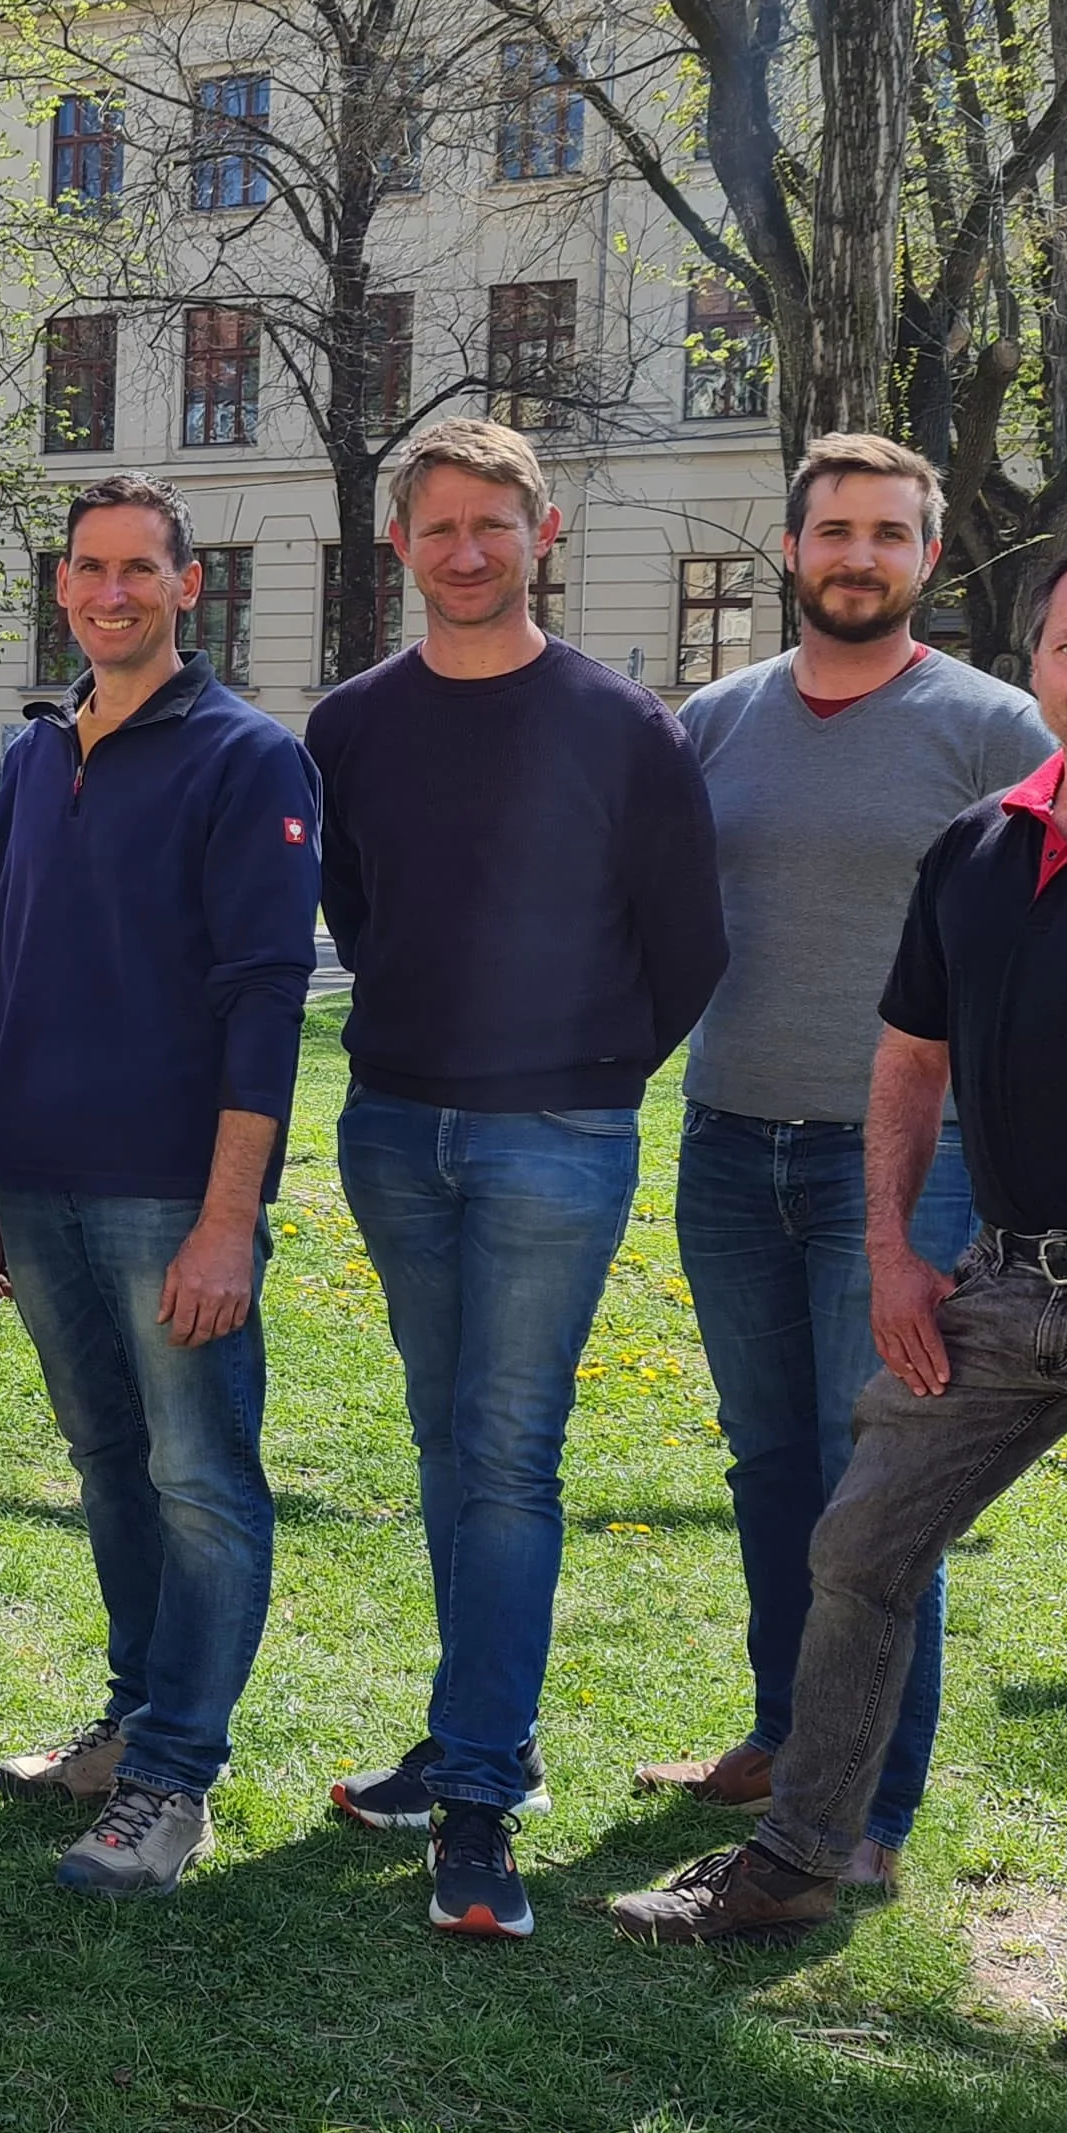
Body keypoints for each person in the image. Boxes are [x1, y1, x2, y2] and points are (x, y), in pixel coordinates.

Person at [612, 532, 1067, 2072]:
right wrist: (893, 1252)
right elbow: (908, 1064)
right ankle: (800, 1858)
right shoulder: (979, 847)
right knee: (860, 1546)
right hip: (1006, 1280)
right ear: (1037, 666)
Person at [309, 419, 728, 1940]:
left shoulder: (620, 727)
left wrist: (588, 1069)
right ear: (400, 544)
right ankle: (479, 1732)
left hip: (557, 1135)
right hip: (395, 1130)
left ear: (543, 534)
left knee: (505, 1453)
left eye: (495, 523)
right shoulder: (351, 726)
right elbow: (358, 912)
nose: (467, 550)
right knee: (446, 1440)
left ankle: (481, 1794)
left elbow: (689, 945)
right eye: (440, 526)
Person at [641, 436, 1047, 1889]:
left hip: (909, 1170)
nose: (858, 556)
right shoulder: (717, 721)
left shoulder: (996, 730)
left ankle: (868, 1809)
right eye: (835, 531)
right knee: (769, 1466)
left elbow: (1059, 942)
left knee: (877, 1488)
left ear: (927, 557)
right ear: (793, 550)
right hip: (727, 1140)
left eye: (888, 533)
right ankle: (784, 1734)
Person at [0, 478, 320, 1896]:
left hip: (173, 1195)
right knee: (109, 1462)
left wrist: (230, 1218)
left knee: (201, 1479)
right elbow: (12, 971)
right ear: (62, 586)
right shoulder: (37, 752)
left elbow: (266, 1000)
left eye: (138, 570)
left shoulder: (248, 759)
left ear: (186, 586)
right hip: (43, 1180)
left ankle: (175, 1778)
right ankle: (133, 1715)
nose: (111, 593)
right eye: (89, 569)